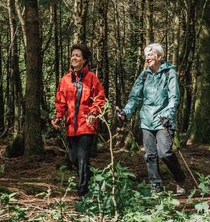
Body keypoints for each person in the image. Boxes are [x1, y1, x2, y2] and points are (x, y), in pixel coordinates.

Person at [116, 43, 186, 195]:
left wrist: (168, 115)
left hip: (163, 120)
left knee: (165, 153)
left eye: (151, 54)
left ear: (159, 57)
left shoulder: (169, 73)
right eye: (146, 55)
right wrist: (126, 112)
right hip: (146, 120)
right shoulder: (144, 75)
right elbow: (134, 97)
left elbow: (174, 97)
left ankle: (180, 179)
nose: (147, 57)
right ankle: (156, 185)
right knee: (150, 155)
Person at [51, 44, 106, 197]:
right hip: (71, 127)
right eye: (72, 55)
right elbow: (60, 101)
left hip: (87, 126)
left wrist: (93, 113)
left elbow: (100, 99)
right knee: (73, 159)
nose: (73, 58)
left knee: (82, 158)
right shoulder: (65, 80)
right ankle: (91, 180)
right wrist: (58, 116)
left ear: (85, 60)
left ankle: (83, 192)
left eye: (77, 55)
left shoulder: (92, 79)